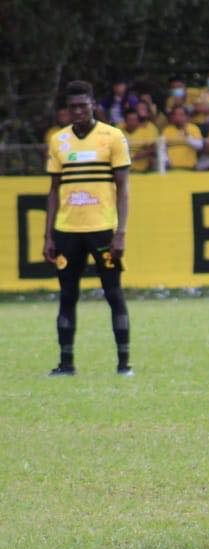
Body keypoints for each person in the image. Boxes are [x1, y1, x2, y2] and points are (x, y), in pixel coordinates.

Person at [43, 81, 133, 377]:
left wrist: (120, 232)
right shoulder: (59, 141)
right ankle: (66, 363)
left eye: (83, 105)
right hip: (67, 232)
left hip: (103, 230)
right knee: (67, 295)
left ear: (93, 104)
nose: (78, 111)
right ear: (66, 110)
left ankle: (123, 364)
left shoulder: (112, 137)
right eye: (73, 107)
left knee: (113, 293)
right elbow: (54, 190)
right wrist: (49, 235)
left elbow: (123, 188)